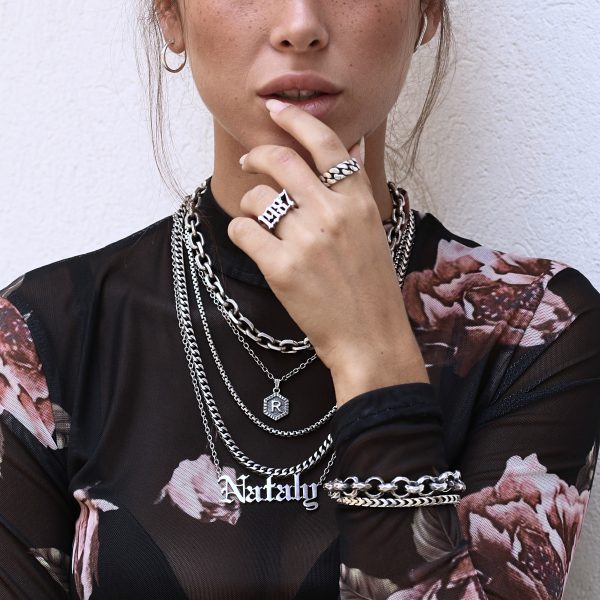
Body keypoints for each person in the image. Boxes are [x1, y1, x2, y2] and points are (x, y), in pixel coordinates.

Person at [1, 1, 599, 598]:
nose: (300, 26)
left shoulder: (535, 327)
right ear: (170, 15)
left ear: (426, 12)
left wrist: (371, 357)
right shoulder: (38, 339)